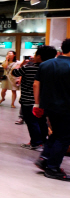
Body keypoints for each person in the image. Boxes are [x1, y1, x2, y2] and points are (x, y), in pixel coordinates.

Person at [33, 38, 70, 181]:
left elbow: (36, 85)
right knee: (64, 137)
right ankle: (53, 168)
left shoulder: (46, 64)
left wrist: (37, 105)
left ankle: (44, 158)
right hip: (66, 107)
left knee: (55, 134)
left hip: (49, 107)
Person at [12, 46, 57, 151]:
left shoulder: (29, 67)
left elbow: (15, 73)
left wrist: (22, 64)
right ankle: (43, 141)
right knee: (42, 122)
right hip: (44, 101)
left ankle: (36, 143)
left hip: (28, 100)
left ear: (39, 56)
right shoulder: (51, 69)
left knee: (31, 122)